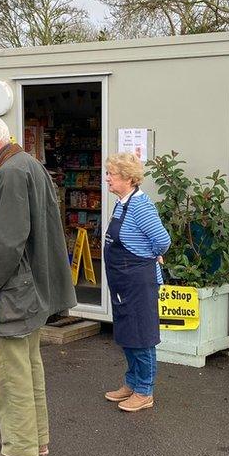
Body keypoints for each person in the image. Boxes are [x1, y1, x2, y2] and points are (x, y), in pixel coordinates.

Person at [0, 114, 76, 456]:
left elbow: (8, 241)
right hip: (26, 287)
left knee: (9, 372)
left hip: (9, 289)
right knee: (27, 365)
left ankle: (19, 452)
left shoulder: (9, 173)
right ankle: (36, 440)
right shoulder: (28, 164)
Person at [102, 152, 170, 412]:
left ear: (129, 179)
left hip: (139, 281)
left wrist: (153, 254)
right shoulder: (122, 203)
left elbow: (162, 240)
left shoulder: (141, 205)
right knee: (127, 333)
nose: (107, 179)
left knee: (142, 335)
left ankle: (144, 391)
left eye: (112, 175)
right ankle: (131, 383)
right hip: (123, 280)